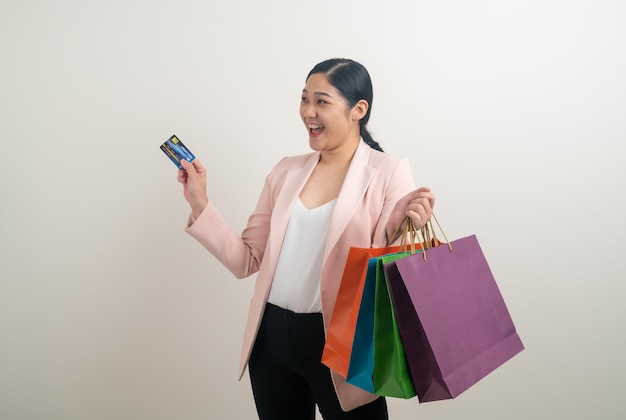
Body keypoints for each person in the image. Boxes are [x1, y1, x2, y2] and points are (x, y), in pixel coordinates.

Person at [177, 58, 435, 419]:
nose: (308, 112)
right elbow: (246, 260)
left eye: (321, 101)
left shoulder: (388, 171)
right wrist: (201, 203)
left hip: (342, 344)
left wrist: (402, 227)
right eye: (304, 99)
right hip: (270, 343)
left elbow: (389, 271)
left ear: (358, 109)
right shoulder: (286, 170)